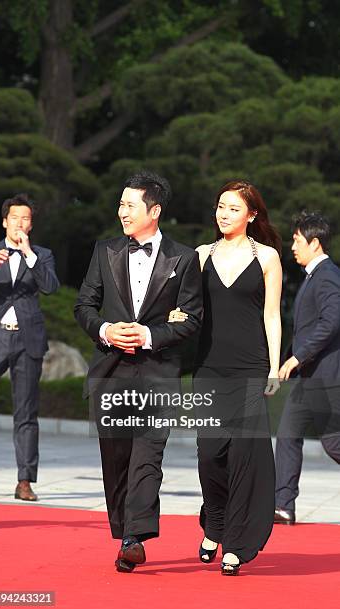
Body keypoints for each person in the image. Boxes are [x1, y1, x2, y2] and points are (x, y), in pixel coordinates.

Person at [74, 171, 203, 573]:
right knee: (115, 458)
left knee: (148, 456)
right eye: (120, 204)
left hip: (157, 371)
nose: (122, 212)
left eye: (130, 205)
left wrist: (148, 334)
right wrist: (107, 330)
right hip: (110, 371)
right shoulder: (104, 250)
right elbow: (84, 307)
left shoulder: (183, 259)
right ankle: (124, 529)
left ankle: (135, 538)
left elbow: (192, 319)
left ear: (155, 210)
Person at [187, 180, 282, 575]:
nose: (223, 214)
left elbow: (271, 315)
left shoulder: (268, 257)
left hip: (250, 367)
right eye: (220, 207)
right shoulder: (200, 255)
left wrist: (275, 367)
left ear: (251, 215)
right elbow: (187, 309)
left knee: (244, 456)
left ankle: (237, 545)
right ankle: (215, 523)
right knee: (210, 456)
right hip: (208, 369)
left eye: (233, 208)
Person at [0, 193, 60, 501]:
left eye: (26, 218)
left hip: (28, 339)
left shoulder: (41, 254)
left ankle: (25, 481)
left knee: (26, 412)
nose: (19, 223)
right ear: (4, 221)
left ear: (31, 224)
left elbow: (51, 286)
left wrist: (28, 253)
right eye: (14, 217)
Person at [275, 211, 340, 525]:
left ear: (315, 243)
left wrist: (297, 356)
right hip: (309, 379)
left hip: (324, 378)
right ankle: (283, 505)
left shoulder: (327, 275)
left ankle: (283, 503)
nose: (293, 246)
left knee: (333, 443)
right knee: (288, 434)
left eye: (298, 240)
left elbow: (331, 322)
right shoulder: (314, 276)